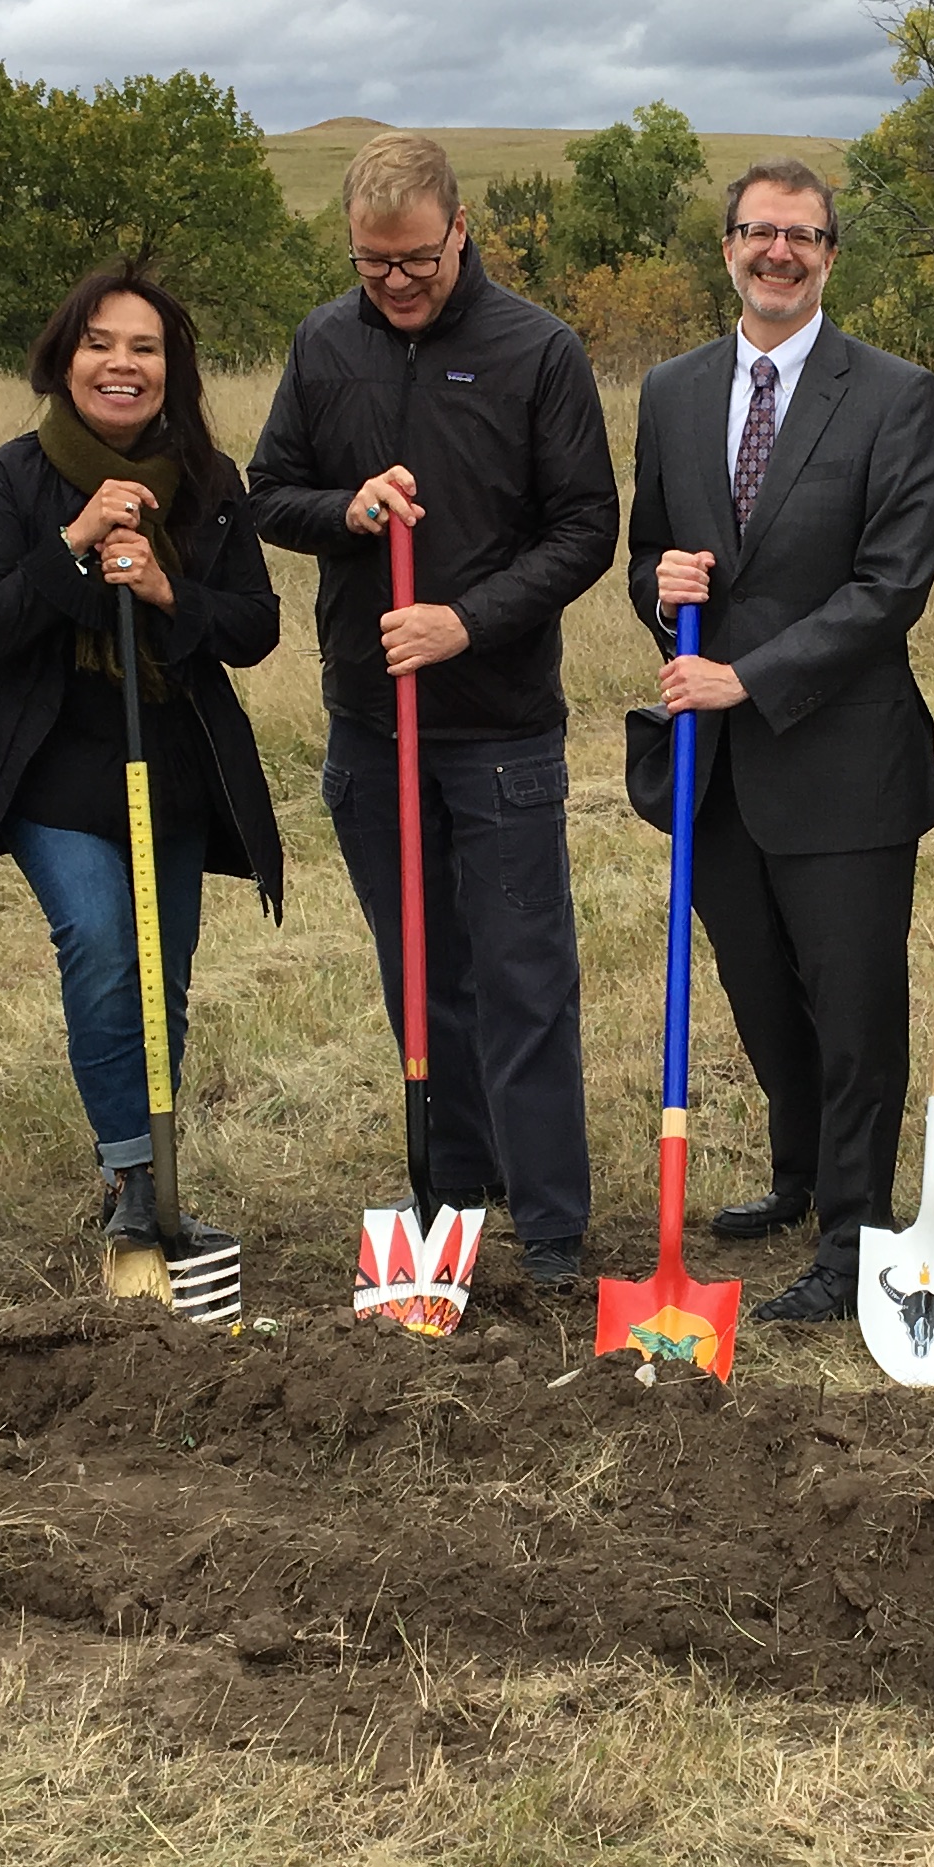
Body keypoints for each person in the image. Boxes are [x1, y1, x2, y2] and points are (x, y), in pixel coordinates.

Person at [244, 131, 618, 1287]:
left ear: (461, 229)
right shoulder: (324, 343)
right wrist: (345, 512)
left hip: (499, 731)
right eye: (371, 265)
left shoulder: (537, 351)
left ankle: (553, 1227)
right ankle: (456, 1191)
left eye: (414, 260)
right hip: (370, 726)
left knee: (522, 975)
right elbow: (268, 495)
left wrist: (466, 620)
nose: (395, 284)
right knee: (421, 972)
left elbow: (585, 531)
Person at [625, 161, 934, 1324]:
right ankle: (803, 1177)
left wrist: (747, 678)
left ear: (828, 256)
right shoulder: (670, 392)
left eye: (802, 237)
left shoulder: (898, 395)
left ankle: (855, 1236)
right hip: (716, 778)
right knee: (761, 993)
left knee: (854, 1009)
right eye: (760, 233)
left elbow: (890, 586)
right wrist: (661, 595)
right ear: (728, 246)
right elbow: (649, 562)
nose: (780, 253)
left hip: (844, 760)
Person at [0, 267, 285, 1243]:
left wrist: (164, 590)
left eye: (145, 347)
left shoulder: (211, 482)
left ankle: (158, 1187)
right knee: (105, 944)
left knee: (166, 972)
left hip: (177, 771)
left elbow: (252, 628)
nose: (122, 364)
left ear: (173, 368)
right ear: (65, 360)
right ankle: (129, 1183)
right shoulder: (16, 477)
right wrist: (72, 542)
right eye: (100, 344)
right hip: (52, 775)